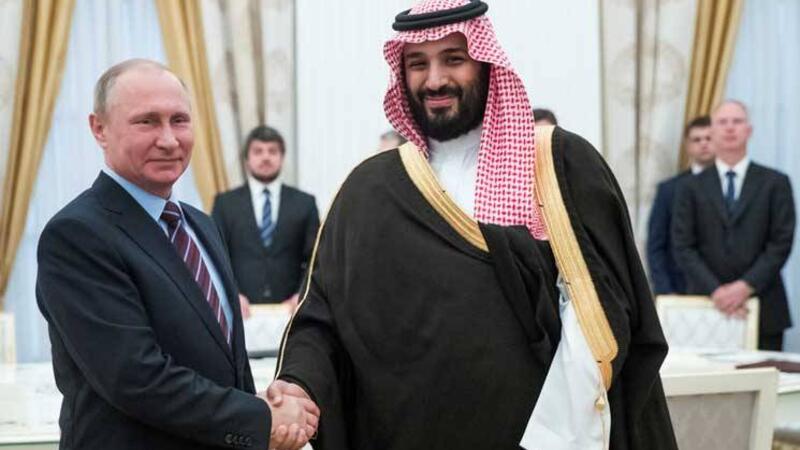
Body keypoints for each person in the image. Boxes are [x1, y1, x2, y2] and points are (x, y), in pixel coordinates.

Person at [269, 1, 676, 449]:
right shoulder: (368, 189)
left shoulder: (557, 165)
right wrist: (298, 385)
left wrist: (551, 439)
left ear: (485, 63)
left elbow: (599, 314)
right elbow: (323, 317)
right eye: (418, 64)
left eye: (453, 59)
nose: (435, 80)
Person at [36, 59, 318, 450]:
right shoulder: (77, 235)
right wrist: (259, 419)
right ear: (99, 128)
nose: (169, 140)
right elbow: (135, 377)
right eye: (147, 121)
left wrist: (263, 410)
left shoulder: (200, 225)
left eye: (179, 120)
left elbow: (221, 362)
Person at [672, 100, 795, 350]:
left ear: (748, 130)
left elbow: (781, 243)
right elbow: (683, 246)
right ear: (712, 131)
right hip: (706, 306)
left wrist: (744, 287)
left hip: (765, 306)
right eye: (723, 122)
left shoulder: (776, 182)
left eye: (737, 121)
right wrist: (717, 292)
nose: (730, 128)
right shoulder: (689, 187)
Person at [212, 125, 319, 315]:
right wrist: (231, 293)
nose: (266, 157)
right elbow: (216, 255)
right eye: (258, 151)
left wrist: (302, 294)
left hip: (291, 312)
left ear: (282, 157)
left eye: (272, 151)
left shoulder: (305, 203)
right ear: (247, 159)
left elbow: (315, 257)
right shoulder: (224, 204)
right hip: (239, 312)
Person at [646, 116, 713, 295]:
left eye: (709, 138)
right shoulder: (669, 189)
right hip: (679, 290)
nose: (704, 144)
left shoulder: (733, 186)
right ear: (688, 146)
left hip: (727, 293)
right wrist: (665, 290)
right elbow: (656, 245)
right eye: (697, 140)